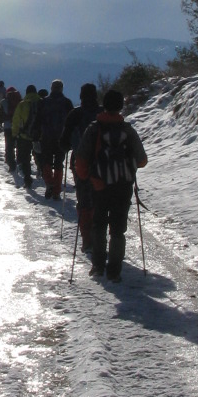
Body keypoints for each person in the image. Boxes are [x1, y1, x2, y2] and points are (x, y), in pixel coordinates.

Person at [73, 88, 147, 283]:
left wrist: (87, 177)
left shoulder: (94, 129)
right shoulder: (128, 130)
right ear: (121, 106)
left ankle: (98, 265)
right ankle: (114, 270)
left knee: (98, 225)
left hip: (99, 185)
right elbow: (142, 161)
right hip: (123, 186)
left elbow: (81, 161)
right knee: (118, 229)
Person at [62, 82, 101, 251]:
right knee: (100, 201)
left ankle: (87, 238)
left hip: (81, 162)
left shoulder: (75, 114)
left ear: (81, 96)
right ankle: (100, 237)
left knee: (84, 200)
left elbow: (64, 141)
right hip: (103, 164)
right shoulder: (103, 113)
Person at [38, 79, 74, 199]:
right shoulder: (67, 103)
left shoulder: (43, 102)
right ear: (62, 88)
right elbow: (71, 122)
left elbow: (38, 120)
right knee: (59, 163)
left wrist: (35, 135)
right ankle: (57, 190)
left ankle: (49, 183)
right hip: (61, 137)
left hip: (46, 137)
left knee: (46, 161)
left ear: (51, 88)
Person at [10, 83, 40, 188]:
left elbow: (16, 120)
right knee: (41, 155)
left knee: (26, 158)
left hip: (24, 136)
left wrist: (14, 134)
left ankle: (27, 178)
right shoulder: (42, 103)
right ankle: (43, 173)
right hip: (40, 136)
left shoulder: (22, 104)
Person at [2, 83, 21, 171]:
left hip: (8, 126)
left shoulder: (4, 102)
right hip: (19, 126)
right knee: (19, 144)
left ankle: (11, 163)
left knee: (9, 145)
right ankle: (20, 161)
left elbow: (1, 114)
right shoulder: (21, 101)